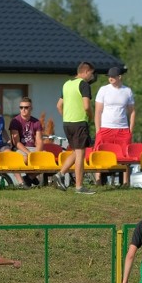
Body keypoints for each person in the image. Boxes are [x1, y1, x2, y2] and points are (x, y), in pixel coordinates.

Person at [55, 61, 96, 195]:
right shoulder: (84, 85)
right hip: (79, 123)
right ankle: (79, 187)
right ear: (85, 72)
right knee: (80, 154)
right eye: (91, 73)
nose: (92, 76)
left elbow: (59, 105)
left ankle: (60, 174)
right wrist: (91, 116)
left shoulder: (67, 84)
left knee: (76, 151)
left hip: (67, 123)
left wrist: (66, 116)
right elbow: (86, 106)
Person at [94, 66, 135, 185]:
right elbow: (98, 111)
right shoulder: (103, 90)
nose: (110, 78)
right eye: (109, 76)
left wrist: (130, 130)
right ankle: (98, 179)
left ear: (119, 77)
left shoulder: (127, 91)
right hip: (106, 127)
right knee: (100, 151)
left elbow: (132, 111)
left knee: (125, 155)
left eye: (112, 76)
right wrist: (98, 130)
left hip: (122, 129)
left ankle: (126, 182)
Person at [9, 96, 44, 187]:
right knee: (23, 159)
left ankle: (29, 178)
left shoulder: (36, 122)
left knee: (46, 159)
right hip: (20, 149)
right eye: (21, 107)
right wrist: (29, 153)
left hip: (33, 148)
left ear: (31, 108)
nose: (23, 110)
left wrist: (37, 153)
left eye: (26, 107)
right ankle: (25, 181)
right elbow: (17, 143)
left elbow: (39, 140)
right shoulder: (15, 121)